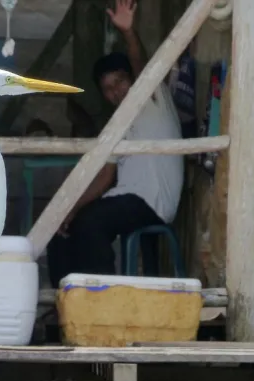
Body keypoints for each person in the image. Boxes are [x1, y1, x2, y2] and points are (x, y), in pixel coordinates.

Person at [46, 0, 184, 286]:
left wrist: (129, 33)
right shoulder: (116, 125)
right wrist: (67, 210)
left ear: (133, 80)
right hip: (125, 199)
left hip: (153, 202)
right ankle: (65, 308)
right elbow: (105, 177)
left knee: (91, 224)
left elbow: (139, 60)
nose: (117, 92)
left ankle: (102, 300)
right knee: (59, 230)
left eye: (121, 81)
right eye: (108, 89)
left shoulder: (152, 98)